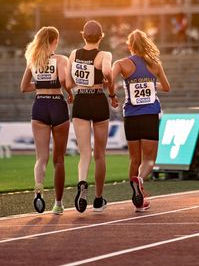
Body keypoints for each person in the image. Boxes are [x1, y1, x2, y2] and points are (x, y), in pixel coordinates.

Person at [112, 29, 170, 212]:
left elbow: (109, 80)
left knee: (134, 159)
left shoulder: (121, 64)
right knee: (150, 160)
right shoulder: (155, 64)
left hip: (130, 115)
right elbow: (167, 87)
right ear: (146, 44)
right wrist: (152, 84)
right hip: (150, 115)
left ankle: (138, 199)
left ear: (129, 46)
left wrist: (112, 95)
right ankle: (140, 182)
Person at [67, 20, 118, 213]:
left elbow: (67, 81)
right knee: (100, 154)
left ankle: (82, 183)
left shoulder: (74, 54)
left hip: (80, 101)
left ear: (83, 36)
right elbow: (106, 71)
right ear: (101, 37)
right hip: (98, 100)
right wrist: (111, 90)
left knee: (85, 153)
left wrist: (70, 93)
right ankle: (98, 199)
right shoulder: (104, 55)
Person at [20, 26, 72, 215]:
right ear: (55, 41)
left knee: (41, 158)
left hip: (39, 106)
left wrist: (40, 84)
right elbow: (65, 80)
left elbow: (24, 87)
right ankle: (58, 204)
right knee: (59, 160)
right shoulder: (60, 59)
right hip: (57, 106)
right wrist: (70, 93)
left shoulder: (33, 60)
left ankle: (39, 188)